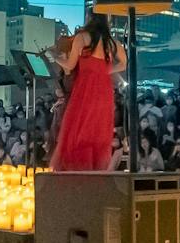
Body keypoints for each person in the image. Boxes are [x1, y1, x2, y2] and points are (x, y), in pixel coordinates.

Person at [52, 12, 128, 171]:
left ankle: (79, 169)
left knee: (79, 127)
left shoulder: (82, 38)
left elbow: (70, 65)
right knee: (97, 129)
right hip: (103, 88)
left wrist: (55, 57)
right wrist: (105, 70)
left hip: (85, 87)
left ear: (90, 18)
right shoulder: (111, 41)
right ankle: (95, 169)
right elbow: (123, 64)